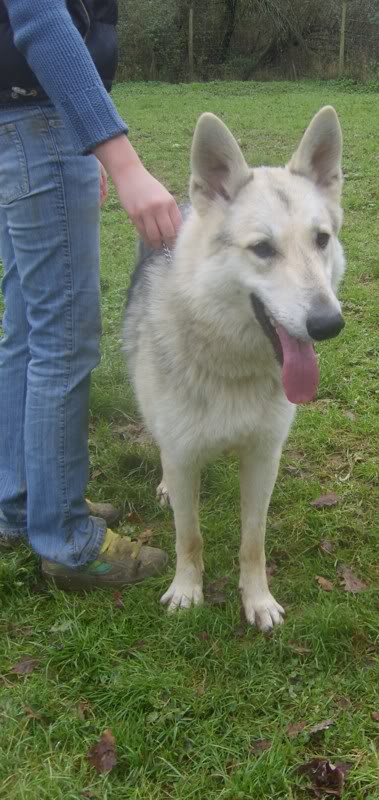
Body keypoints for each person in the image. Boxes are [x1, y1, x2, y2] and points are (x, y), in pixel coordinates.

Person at [0, 0, 181, 589]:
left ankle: (22, 506)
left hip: (19, 121)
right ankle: (67, 544)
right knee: (63, 340)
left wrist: (86, 139)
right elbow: (41, 18)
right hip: (39, 117)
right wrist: (123, 162)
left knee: (27, 331)